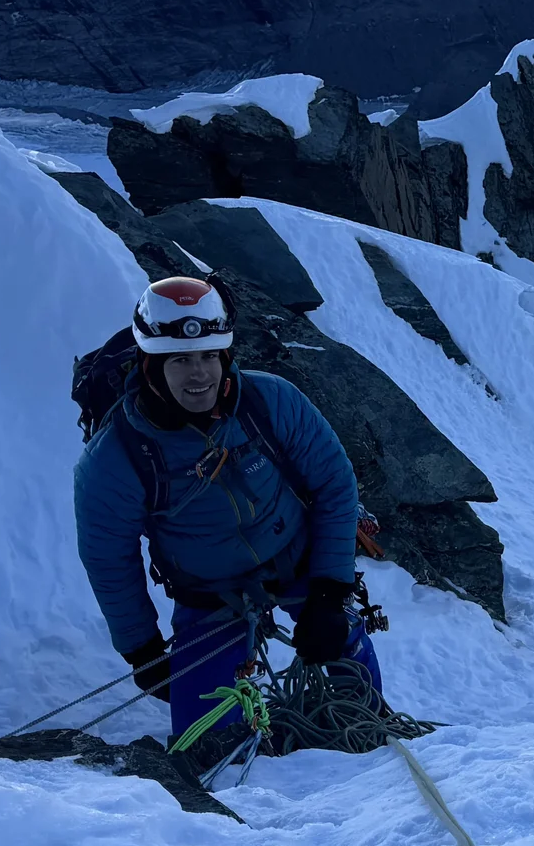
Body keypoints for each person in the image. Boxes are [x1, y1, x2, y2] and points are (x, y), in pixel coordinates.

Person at [74, 276, 379, 768]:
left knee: (347, 660)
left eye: (208, 356)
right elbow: (109, 558)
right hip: (209, 590)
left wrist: (329, 593)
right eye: (179, 359)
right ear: (150, 364)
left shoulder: (270, 402)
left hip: (297, 558)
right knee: (206, 751)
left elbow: (334, 485)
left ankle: (369, 739)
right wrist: (143, 652)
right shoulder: (114, 459)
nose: (199, 374)